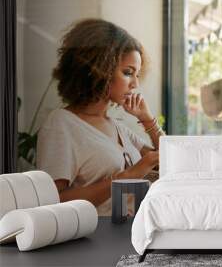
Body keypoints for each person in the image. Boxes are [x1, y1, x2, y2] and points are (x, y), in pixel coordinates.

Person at [36, 18, 164, 216]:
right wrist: (128, 176)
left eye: (137, 74)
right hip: (96, 240)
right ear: (100, 69)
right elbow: (53, 203)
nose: (135, 84)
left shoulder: (117, 126)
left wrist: (147, 120)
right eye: (128, 73)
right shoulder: (61, 124)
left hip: (132, 236)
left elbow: (169, 160)